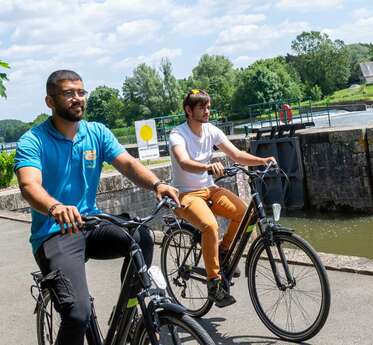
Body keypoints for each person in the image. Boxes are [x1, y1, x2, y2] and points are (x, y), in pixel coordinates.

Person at [14, 70, 179, 345]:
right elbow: (29, 186)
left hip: (90, 224)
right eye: (69, 93)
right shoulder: (33, 140)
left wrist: (156, 184)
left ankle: (127, 314)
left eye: (81, 92)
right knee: (77, 313)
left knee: (141, 237)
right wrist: (55, 207)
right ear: (50, 101)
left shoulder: (96, 132)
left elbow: (127, 163)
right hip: (55, 232)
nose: (78, 98)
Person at [169, 89, 276, 307]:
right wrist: (207, 166)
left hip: (209, 189)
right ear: (189, 110)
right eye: (202, 107)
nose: (207, 111)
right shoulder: (177, 134)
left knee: (246, 213)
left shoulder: (211, 130)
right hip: (185, 194)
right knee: (209, 226)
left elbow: (236, 155)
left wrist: (262, 161)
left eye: (208, 107)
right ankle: (214, 283)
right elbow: (183, 161)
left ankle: (223, 250)